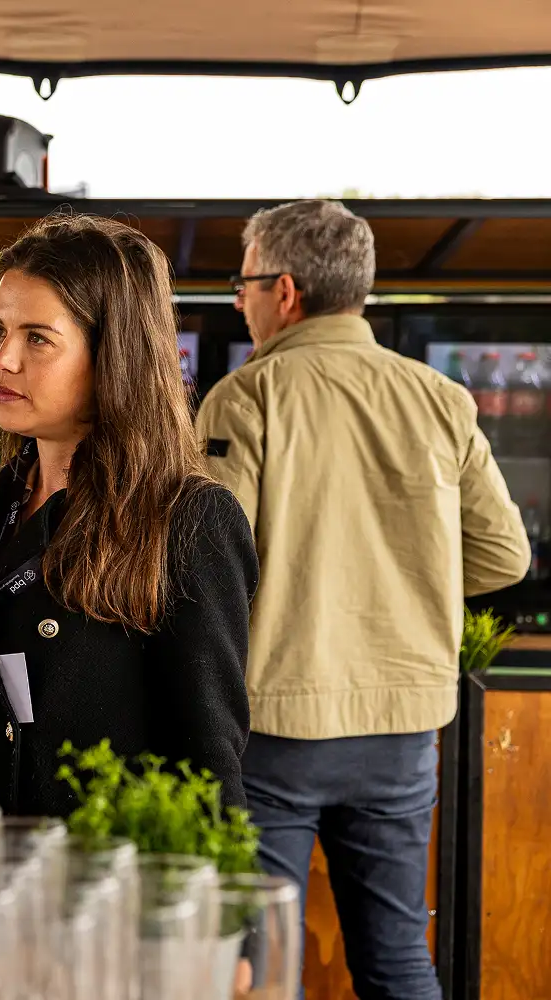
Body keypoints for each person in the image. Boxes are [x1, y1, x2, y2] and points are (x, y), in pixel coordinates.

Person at [195, 199, 529, 1000]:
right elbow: (504, 555)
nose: (238, 301)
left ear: (284, 290)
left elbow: (208, 570)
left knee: (260, 965)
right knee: (397, 960)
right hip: (403, 730)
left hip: (275, 727)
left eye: (242, 285)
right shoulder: (441, 399)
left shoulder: (246, 398)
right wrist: (408, 583)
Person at [0, 214, 257, 815]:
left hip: (108, 885)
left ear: (114, 356)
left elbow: (209, 778)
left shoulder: (189, 521)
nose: (3, 359)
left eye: (38, 338)